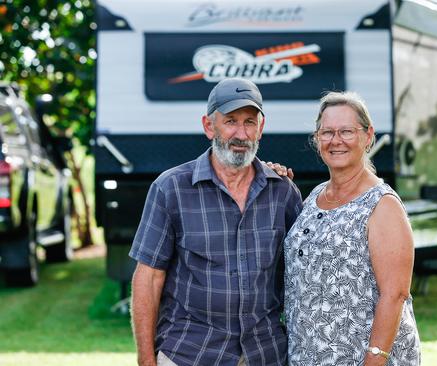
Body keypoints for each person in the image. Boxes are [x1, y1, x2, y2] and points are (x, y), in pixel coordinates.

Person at [129, 77, 303, 366]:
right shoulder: (171, 189)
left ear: (261, 127)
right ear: (209, 126)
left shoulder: (282, 192)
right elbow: (148, 278)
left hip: (265, 353)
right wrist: (147, 361)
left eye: (249, 122)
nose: (241, 133)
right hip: (190, 353)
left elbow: (300, 275)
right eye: (230, 121)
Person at [284, 91, 421, 365]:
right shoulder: (314, 197)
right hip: (309, 356)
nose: (336, 141)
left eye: (347, 131)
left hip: (364, 358)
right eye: (327, 132)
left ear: (368, 136)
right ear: (317, 139)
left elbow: (395, 294)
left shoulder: (382, 205)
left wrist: (375, 359)